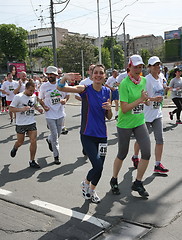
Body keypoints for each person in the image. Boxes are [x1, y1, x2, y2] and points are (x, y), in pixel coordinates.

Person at [57, 64, 112, 203]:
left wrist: (110, 108)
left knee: (100, 168)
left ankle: (91, 190)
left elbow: (109, 117)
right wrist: (64, 77)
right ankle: (85, 183)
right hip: (87, 134)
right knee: (97, 165)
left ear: (104, 76)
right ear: (91, 75)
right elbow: (61, 88)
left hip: (102, 136)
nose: (98, 75)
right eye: (96, 73)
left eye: (101, 73)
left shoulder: (107, 92)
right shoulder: (85, 90)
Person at [110, 55, 151, 197]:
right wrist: (141, 100)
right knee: (122, 153)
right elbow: (125, 108)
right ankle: (114, 179)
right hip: (125, 124)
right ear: (129, 67)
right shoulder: (124, 84)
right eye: (136, 67)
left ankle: (138, 183)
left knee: (146, 153)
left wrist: (147, 101)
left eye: (140, 67)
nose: (138, 70)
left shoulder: (144, 80)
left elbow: (144, 99)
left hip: (139, 122)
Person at [131, 56, 169, 174]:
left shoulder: (161, 77)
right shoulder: (145, 80)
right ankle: (135, 156)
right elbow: (142, 98)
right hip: (146, 115)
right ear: (149, 67)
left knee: (160, 139)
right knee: (141, 140)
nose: (157, 67)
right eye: (154, 65)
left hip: (157, 114)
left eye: (158, 64)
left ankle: (157, 164)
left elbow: (163, 91)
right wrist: (153, 99)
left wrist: (166, 90)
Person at [39, 66, 70, 165]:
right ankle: (56, 156)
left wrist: (65, 100)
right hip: (49, 115)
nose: (49, 76)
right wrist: (44, 106)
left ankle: (49, 139)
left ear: (56, 75)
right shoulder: (44, 86)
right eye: (48, 74)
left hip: (60, 113)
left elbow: (68, 94)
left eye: (51, 74)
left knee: (58, 134)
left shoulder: (62, 84)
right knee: (55, 136)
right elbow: (40, 99)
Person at [9, 81, 43, 168]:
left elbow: (35, 104)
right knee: (20, 142)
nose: (32, 93)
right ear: (26, 88)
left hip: (31, 122)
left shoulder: (34, 96)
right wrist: (21, 109)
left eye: (33, 90)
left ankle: (32, 160)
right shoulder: (18, 97)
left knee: (33, 140)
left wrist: (38, 109)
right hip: (20, 123)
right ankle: (15, 147)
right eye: (30, 91)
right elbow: (11, 108)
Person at [57, 68, 70, 135]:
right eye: (58, 73)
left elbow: (68, 94)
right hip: (51, 105)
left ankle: (62, 127)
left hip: (61, 103)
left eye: (60, 73)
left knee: (62, 114)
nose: (59, 75)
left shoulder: (65, 83)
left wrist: (65, 100)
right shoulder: (49, 84)